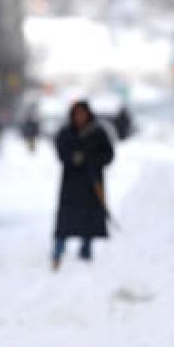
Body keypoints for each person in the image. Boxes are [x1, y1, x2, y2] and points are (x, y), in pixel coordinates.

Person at [52, 100, 115, 270]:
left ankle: (86, 250)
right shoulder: (66, 132)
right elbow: (60, 151)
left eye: (82, 113)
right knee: (66, 220)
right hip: (71, 183)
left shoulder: (98, 132)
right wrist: (73, 158)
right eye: (77, 114)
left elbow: (108, 155)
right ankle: (58, 249)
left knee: (89, 219)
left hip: (91, 182)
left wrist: (91, 159)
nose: (80, 117)